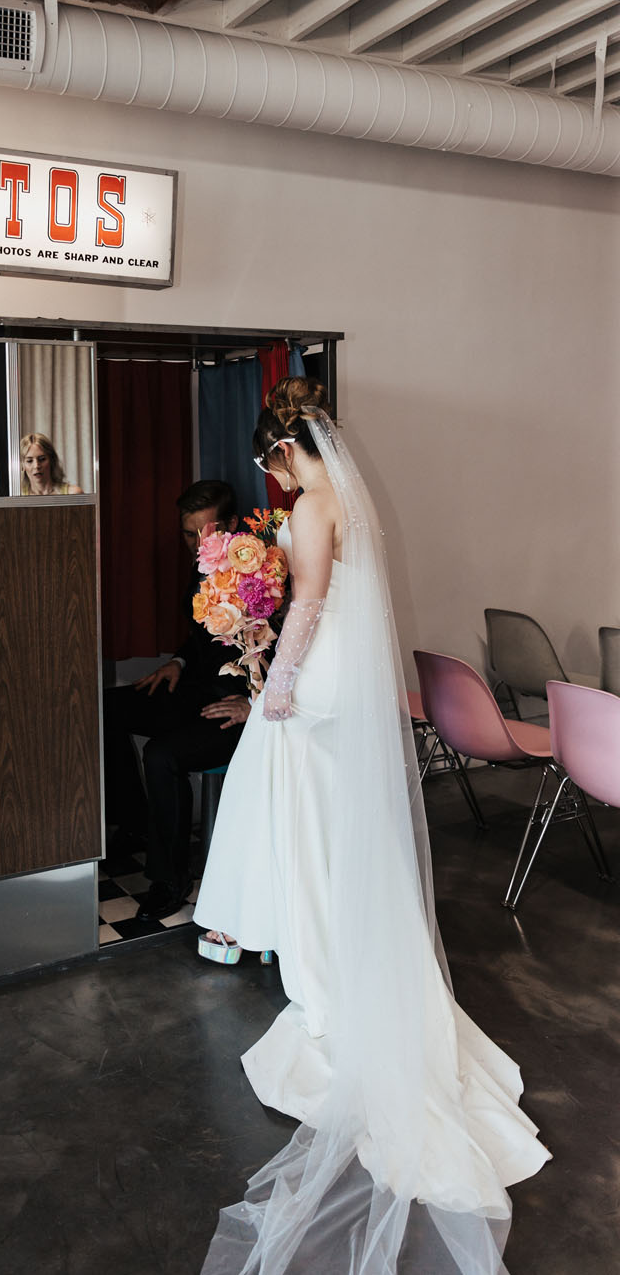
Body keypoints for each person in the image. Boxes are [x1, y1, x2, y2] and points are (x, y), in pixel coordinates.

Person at [194, 377, 549, 1275]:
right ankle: (328, 957)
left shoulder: (314, 504)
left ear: (282, 451)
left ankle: (319, 980)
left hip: (316, 686)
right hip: (344, 684)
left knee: (304, 830)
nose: (272, 485)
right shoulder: (349, 498)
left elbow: (309, 604)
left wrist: (274, 680)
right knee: (328, 829)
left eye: (268, 466)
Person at [102, 479, 252, 919]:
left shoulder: (261, 573)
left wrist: (251, 706)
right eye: (188, 534)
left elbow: (286, 649)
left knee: (162, 755)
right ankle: (136, 826)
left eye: (204, 533)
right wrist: (179, 663)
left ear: (231, 525)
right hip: (196, 691)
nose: (195, 544)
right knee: (107, 709)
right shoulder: (201, 568)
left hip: (239, 710)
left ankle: (171, 879)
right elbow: (201, 639)